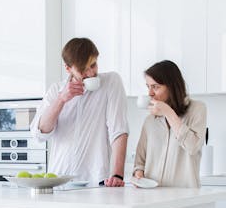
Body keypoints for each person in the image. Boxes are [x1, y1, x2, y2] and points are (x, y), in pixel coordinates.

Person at [33, 38, 128, 186]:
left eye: (93, 65)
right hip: (58, 180)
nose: (91, 73)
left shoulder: (111, 83)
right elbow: (40, 133)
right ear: (68, 68)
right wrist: (61, 99)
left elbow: (119, 130)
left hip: (96, 181)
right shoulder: (55, 91)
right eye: (83, 70)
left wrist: (117, 175)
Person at [133, 60, 207, 188]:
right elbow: (140, 162)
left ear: (172, 87)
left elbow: (192, 147)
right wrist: (138, 173)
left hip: (185, 198)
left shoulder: (197, 109)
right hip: (153, 198)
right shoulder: (149, 121)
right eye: (148, 86)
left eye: (155, 87)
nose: (150, 93)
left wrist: (168, 112)